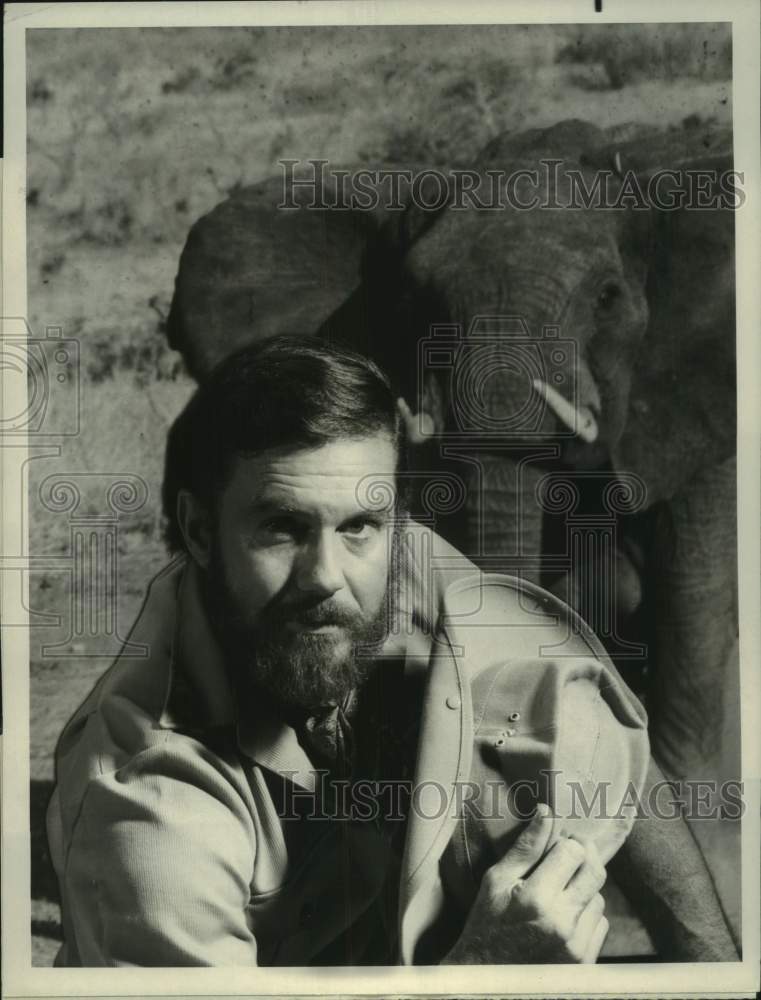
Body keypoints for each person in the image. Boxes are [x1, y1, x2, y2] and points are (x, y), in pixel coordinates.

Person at [46, 337, 737, 967]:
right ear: (198, 532)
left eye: (359, 526)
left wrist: (714, 970)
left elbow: (571, 689)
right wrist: (482, 970)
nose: (325, 575)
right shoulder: (146, 815)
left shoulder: (388, 557)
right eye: (281, 529)